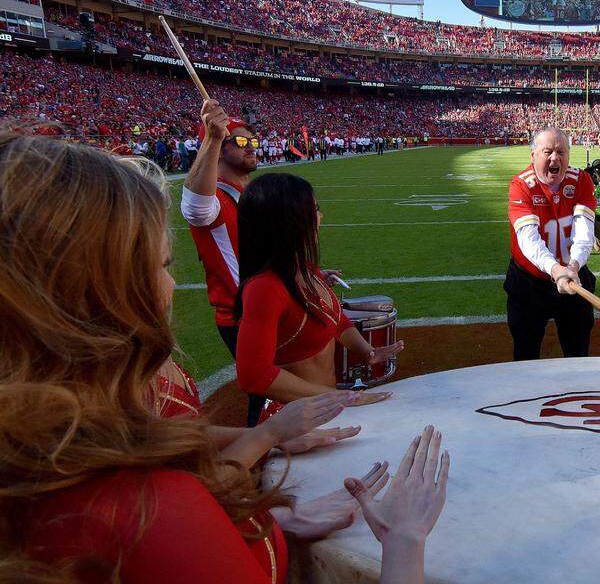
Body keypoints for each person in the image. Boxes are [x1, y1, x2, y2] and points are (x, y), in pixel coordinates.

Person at [0, 133, 448, 584]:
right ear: (99, 298)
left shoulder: (71, 445)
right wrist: (403, 540)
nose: (172, 285)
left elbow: (164, 442)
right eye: (162, 265)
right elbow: (252, 378)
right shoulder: (146, 514)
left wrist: (275, 515)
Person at [235, 172, 403, 422]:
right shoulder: (265, 288)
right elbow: (253, 375)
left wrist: (368, 352)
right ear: (289, 220)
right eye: (314, 209)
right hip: (294, 421)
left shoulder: (304, 268)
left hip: (324, 407)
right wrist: (339, 398)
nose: (320, 216)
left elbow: (334, 318)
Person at [504, 127, 598, 360]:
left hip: (573, 274)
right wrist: (556, 270)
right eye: (547, 152)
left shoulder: (581, 180)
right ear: (533, 156)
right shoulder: (521, 185)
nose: (555, 158)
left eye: (561, 152)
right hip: (530, 281)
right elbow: (528, 239)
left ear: (568, 155)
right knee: (525, 352)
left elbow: (584, 232)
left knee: (578, 350)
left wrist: (573, 267)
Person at [180, 99, 258, 360]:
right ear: (220, 149)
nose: (251, 148)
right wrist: (212, 140)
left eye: (253, 142)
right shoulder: (214, 201)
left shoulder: (249, 193)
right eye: (241, 142)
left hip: (267, 306)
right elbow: (195, 208)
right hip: (243, 316)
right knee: (270, 394)